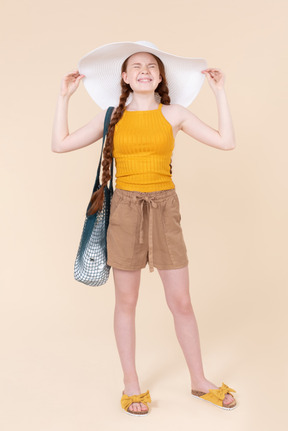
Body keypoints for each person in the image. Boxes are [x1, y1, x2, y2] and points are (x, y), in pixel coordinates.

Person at [51, 41, 237, 416]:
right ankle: (131, 385)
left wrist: (220, 94)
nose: (144, 71)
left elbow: (226, 141)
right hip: (124, 210)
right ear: (124, 77)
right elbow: (60, 144)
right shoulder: (111, 117)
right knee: (127, 302)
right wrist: (63, 98)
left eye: (151, 66)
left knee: (181, 302)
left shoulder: (175, 114)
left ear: (159, 77)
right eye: (136, 66)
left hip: (166, 209)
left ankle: (200, 381)